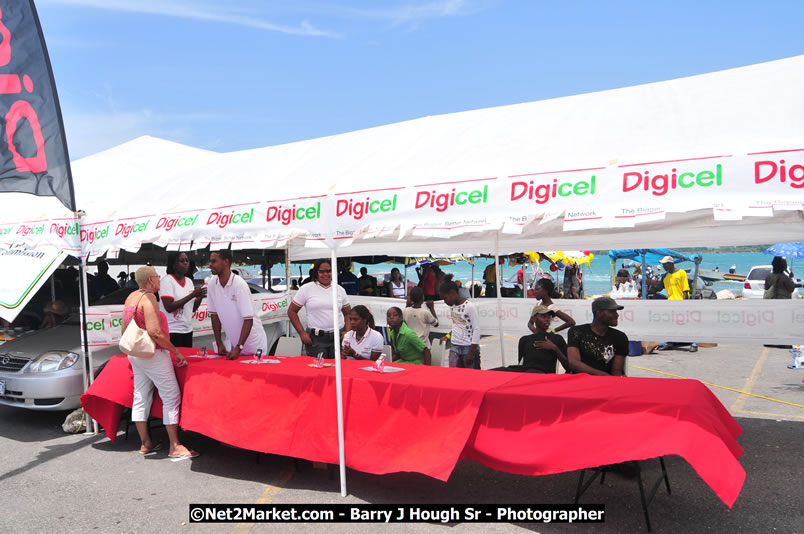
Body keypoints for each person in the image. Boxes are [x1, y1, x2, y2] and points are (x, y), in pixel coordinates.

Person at [122, 266, 197, 458]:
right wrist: (175, 351)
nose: (159, 280)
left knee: (140, 395)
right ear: (149, 280)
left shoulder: (131, 297)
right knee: (171, 395)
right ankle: (175, 445)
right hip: (153, 353)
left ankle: (145, 443)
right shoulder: (149, 298)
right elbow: (155, 332)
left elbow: (124, 329)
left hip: (136, 354)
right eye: (157, 277)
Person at [207, 250, 267, 359]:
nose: (210, 264)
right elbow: (214, 316)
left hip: (253, 345)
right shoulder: (212, 284)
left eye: (214, 261)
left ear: (226, 262)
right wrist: (219, 343)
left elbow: (248, 319)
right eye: (210, 261)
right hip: (235, 346)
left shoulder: (239, 284)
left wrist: (239, 347)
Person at [288, 259, 351, 358]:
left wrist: (347, 331)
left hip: (337, 338)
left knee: (337, 370)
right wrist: (302, 333)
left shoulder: (340, 290)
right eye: (321, 271)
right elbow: (292, 311)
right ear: (316, 272)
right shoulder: (306, 289)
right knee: (317, 369)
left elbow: (348, 313)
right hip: (315, 340)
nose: (325, 274)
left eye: (329, 271)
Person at [567, 296, 628, 376]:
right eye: (612, 311)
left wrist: (611, 381)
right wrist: (603, 375)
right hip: (579, 381)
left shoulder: (620, 337)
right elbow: (574, 363)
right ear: (599, 312)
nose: (617, 315)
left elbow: (616, 371)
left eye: (616, 312)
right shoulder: (576, 332)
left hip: (607, 384)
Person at [159, 252, 206, 348]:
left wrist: (200, 295)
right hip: (172, 331)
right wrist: (193, 295)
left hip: (187, 330)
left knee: (187, 360)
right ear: (174, 265)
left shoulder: (189, 281)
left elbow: (192, 308)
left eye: (187, 260)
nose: (186, 263)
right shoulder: (167, 281)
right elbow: (169, 307)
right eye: (182, 261)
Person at [652, 256, 698, 352]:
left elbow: (685, 290)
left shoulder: (682, 273)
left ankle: (694, 343)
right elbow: (658, 288)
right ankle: (669, 343)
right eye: (663, 264)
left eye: (665, 264)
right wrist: (648, 289)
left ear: (671, 264)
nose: (663, 266)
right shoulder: (665, 276)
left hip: (681, 302)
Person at [439, 281, 481, 369]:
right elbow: (456, 325)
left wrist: (472, 352)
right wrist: (448, 336)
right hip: (454, 346)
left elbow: (476, 329)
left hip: (468, 347)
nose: (444, 301)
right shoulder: (452, 306)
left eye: (445, 298)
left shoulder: (469, 307)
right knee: (454, 377)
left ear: (452, 293)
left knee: (471, 378)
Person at [516, 305, 570, 373]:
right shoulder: (524, 340)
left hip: (545, 379)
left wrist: (555, 349)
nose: (547, 319)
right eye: (543, 316)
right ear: (534, 318)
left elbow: (569, 366)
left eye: (549, 317)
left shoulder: (557, 339)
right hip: (527, 377)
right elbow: (521, 364)